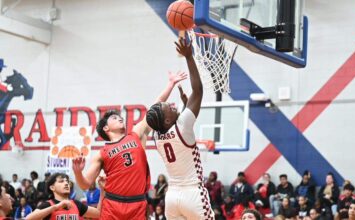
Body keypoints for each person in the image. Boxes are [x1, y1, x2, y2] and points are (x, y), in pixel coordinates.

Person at [72, 71, 187, 219]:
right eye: (114, 118)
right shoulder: (102, 153)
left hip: (137, 204)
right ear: (106, 128)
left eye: (120, 117)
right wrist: (77, 172)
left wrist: (170, 84)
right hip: (112, 204)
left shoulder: (135, 135)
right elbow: (85, 184)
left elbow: (153, 109)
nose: (120, 118)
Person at [146, 38, 214, 220]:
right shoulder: (182, 124)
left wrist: (184, 108)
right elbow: (198, 91)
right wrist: (189, 56)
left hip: (172, 197)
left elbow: (157, 116)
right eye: (169, 107)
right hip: (193, 194)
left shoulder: (156, 135)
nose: (172, 104)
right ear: (167, 119)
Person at [26, 172, 104, 220]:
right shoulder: (47, 205)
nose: (66, 183)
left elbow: (98, 213)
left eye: (67, 181)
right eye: (61, 181)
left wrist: (103, 189)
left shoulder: (76, 204)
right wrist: (56, 207)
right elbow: (28, 218)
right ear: (52, 187)